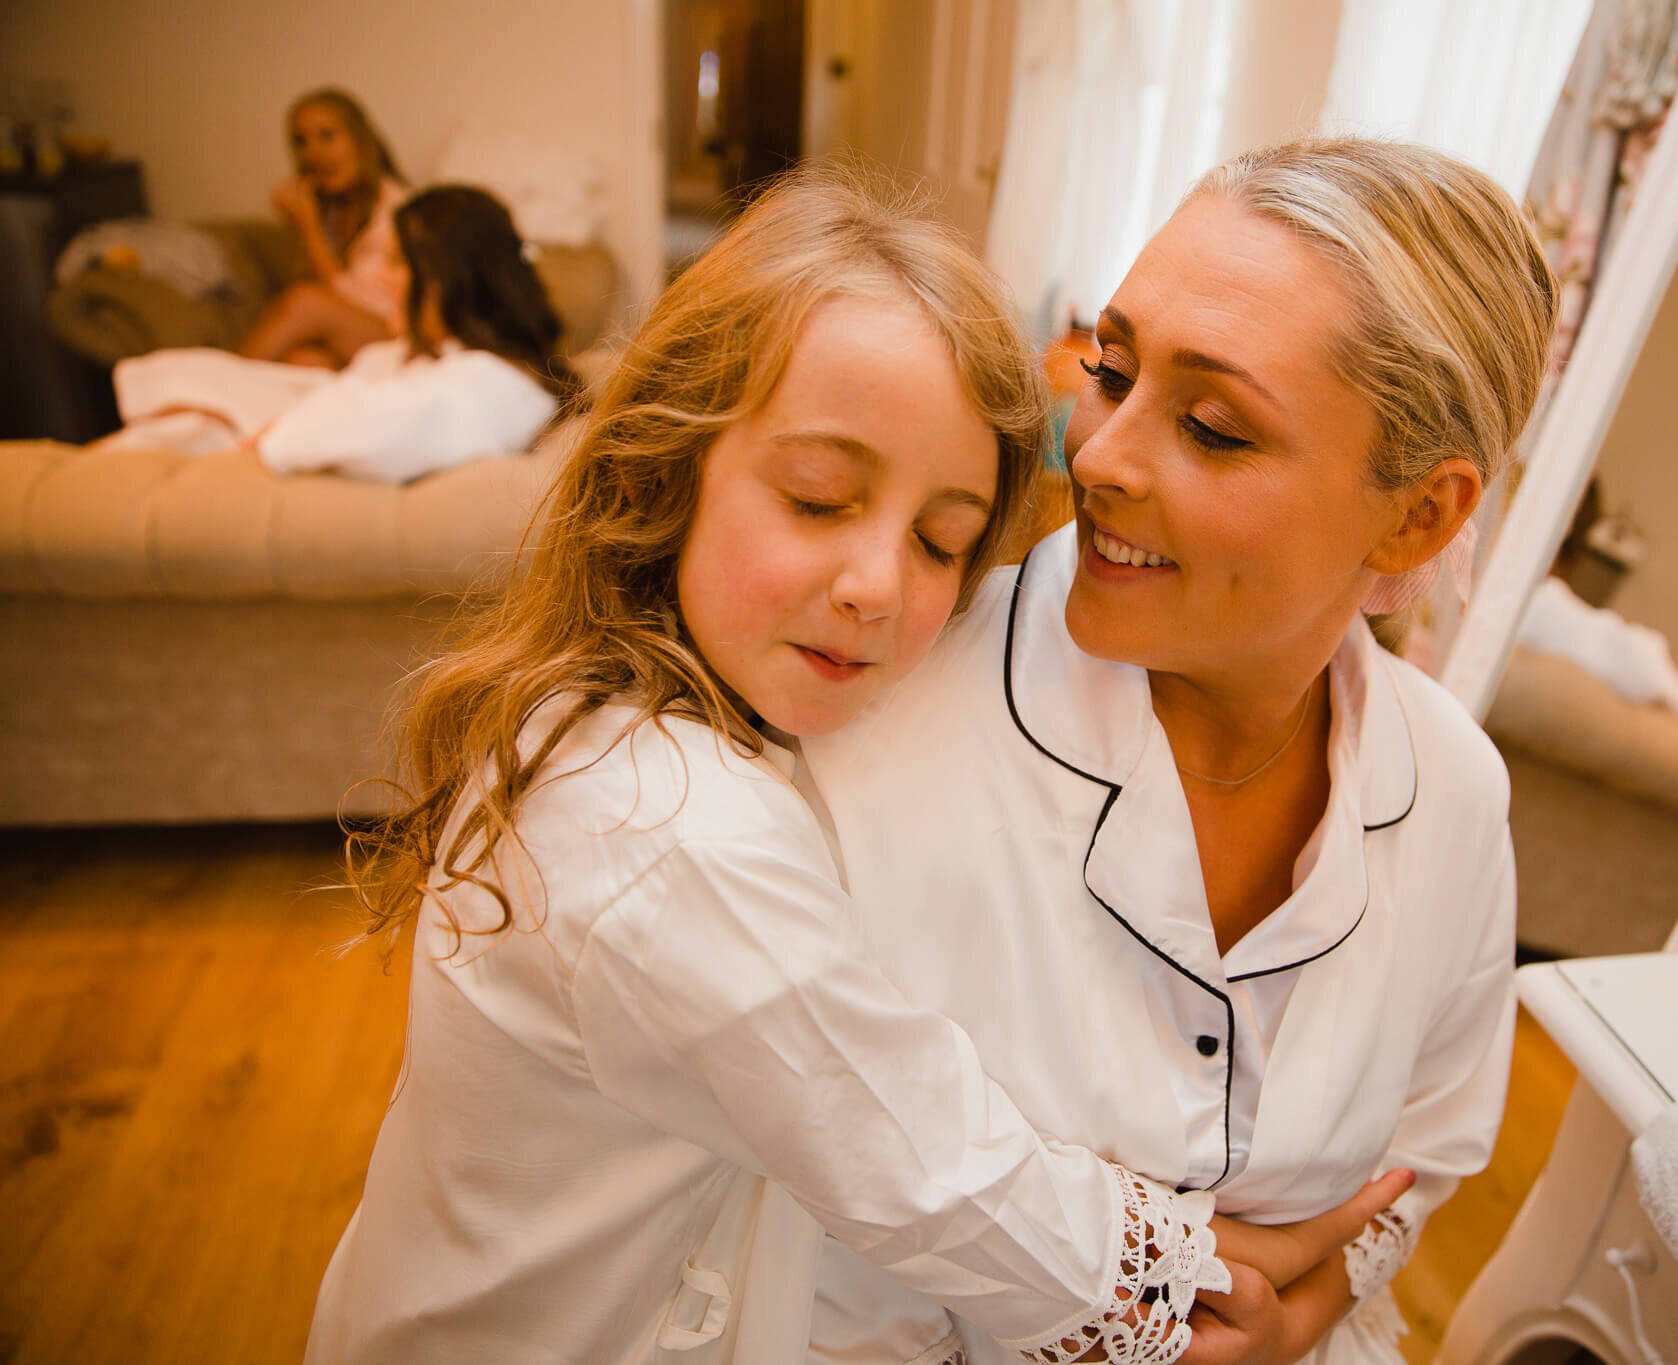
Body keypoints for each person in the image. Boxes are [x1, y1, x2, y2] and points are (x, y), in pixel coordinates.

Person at [304, 166, 1396, 1365]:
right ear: (666, 470)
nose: (879, 586)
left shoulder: (660, 714)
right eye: (819, 500)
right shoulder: (667, 833)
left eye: (939, 543)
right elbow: (928, 1168)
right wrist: (1228, 1284)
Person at [798, 136, 1559, 1362]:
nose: (1094, 456)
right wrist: (1143, 1304)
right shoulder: (874, 725)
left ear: (1420, 512)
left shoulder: (1454, 791)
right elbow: (797, 1229)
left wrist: (1294, 1317)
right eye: (1110, 368)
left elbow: (1426, 1155)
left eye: (1210, 426)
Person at [110, 185, 569, 481]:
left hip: (261, 454)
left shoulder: (491, 383)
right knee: (192, 388)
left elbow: (381, 429)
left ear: (441, 280)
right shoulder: (471, 363)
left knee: (184, 418)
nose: (381, 279)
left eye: (394, 262)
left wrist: (269, 435)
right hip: (290, 418)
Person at [238, 87, 408, 367]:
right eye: (301, 142)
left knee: (305, 302)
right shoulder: (329, 210)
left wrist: (309, 228)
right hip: (349, 341)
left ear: (360, 139)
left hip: (395, 331)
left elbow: (338, 299)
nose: (314, 153)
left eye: (327, 136)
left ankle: (214, 388)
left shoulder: (395, 210)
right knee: (302, 360)